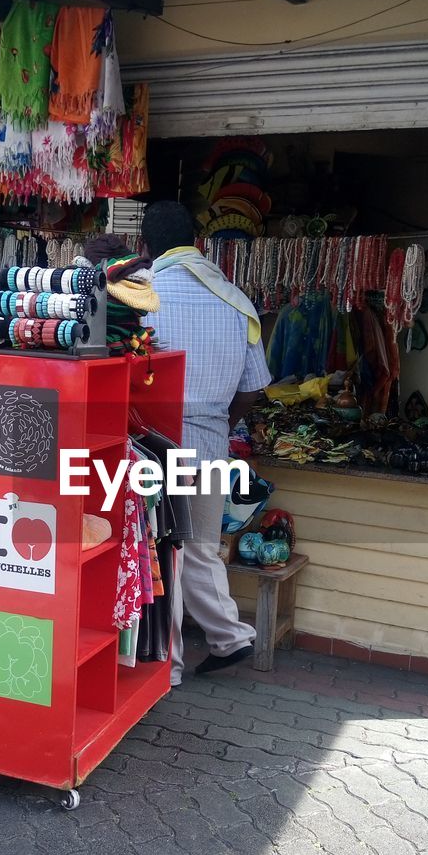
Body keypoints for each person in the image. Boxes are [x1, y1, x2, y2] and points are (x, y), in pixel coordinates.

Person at [140, 200, 271, 686]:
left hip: (156, 443)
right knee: (200, 545)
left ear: (147, 246)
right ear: (197, 240)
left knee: (162, 549)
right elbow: (255, 386)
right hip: (211, 439)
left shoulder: (142, 296)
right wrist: (220, 419)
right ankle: (230, 637)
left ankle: (166, 666)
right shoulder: (235, 300)